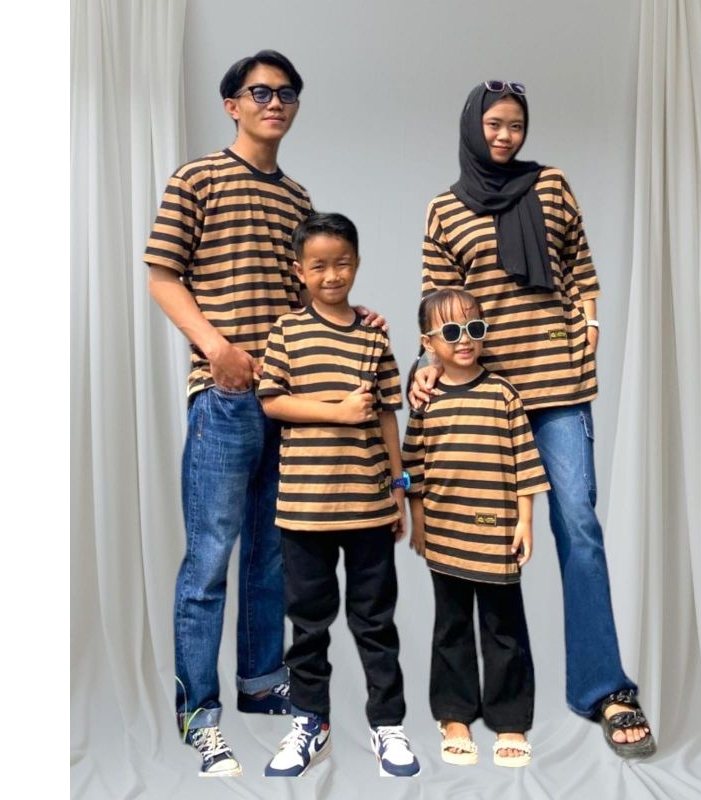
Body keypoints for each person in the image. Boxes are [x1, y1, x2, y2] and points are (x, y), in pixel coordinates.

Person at [144, 50, 384, 778]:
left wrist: (352, 318)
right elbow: (161, 274)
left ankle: (260, 681)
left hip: (288, 400)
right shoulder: (197, 178)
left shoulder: (298, 198)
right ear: (233, 105)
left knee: (273, 552)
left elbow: (308, 296)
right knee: (210, 557)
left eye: (286, 93)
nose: (274, 102)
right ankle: (199, 714)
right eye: (260, 92)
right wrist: (216, 347)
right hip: (223, 397)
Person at [409, 80, 657, 759]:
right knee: (473, 542)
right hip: (482, 388)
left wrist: (591, 322)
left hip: (557, 382)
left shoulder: (550, 185)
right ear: (472, 126)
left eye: (515, 125)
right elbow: (436, 300)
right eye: (494, 123)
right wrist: (426, 363)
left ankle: (605, 690)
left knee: (578, 525)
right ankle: (475, 707)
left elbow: (579, 264)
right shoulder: (444, 209)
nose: (505, 135)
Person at [257, 212, 420, 779]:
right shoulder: (286, 331)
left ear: (357, 263)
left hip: (369, 506)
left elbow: (388, 415)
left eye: (342, 263)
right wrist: (338, 412)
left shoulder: (374, 333)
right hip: (304, 509)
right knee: (308, 625)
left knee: (376, 623)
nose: (332, 275)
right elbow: (272, 401)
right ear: (299, 270)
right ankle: (310, 722)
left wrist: (398, 487)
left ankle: (388, 726)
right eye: (319, 265)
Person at [402, 288, 551, 768]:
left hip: (496, 535)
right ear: (428, 342)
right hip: (445, 535)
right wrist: (419, 521)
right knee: (451, 628)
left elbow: (525, 461)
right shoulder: (425, 400)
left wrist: (526, 521)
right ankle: (454, 718)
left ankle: (510, 721)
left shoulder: (503, 393)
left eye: (474, 327)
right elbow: (413, 465)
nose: (464, 339)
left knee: (504, 630)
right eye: (450, 331)